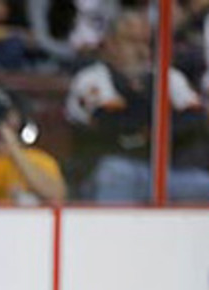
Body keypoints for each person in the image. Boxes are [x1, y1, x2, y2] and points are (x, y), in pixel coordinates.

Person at [65, 9, 209, 202]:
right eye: (132, 42)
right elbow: (112, 126)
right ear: (111, 44)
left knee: (202, 184)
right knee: (116, 174)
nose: (142, 51)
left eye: (146, 43)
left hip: (170, 171)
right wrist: (165, 124)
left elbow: (197, 122)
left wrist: (142, 129)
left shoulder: (169, 77)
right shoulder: (91, 79)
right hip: (111, 168)